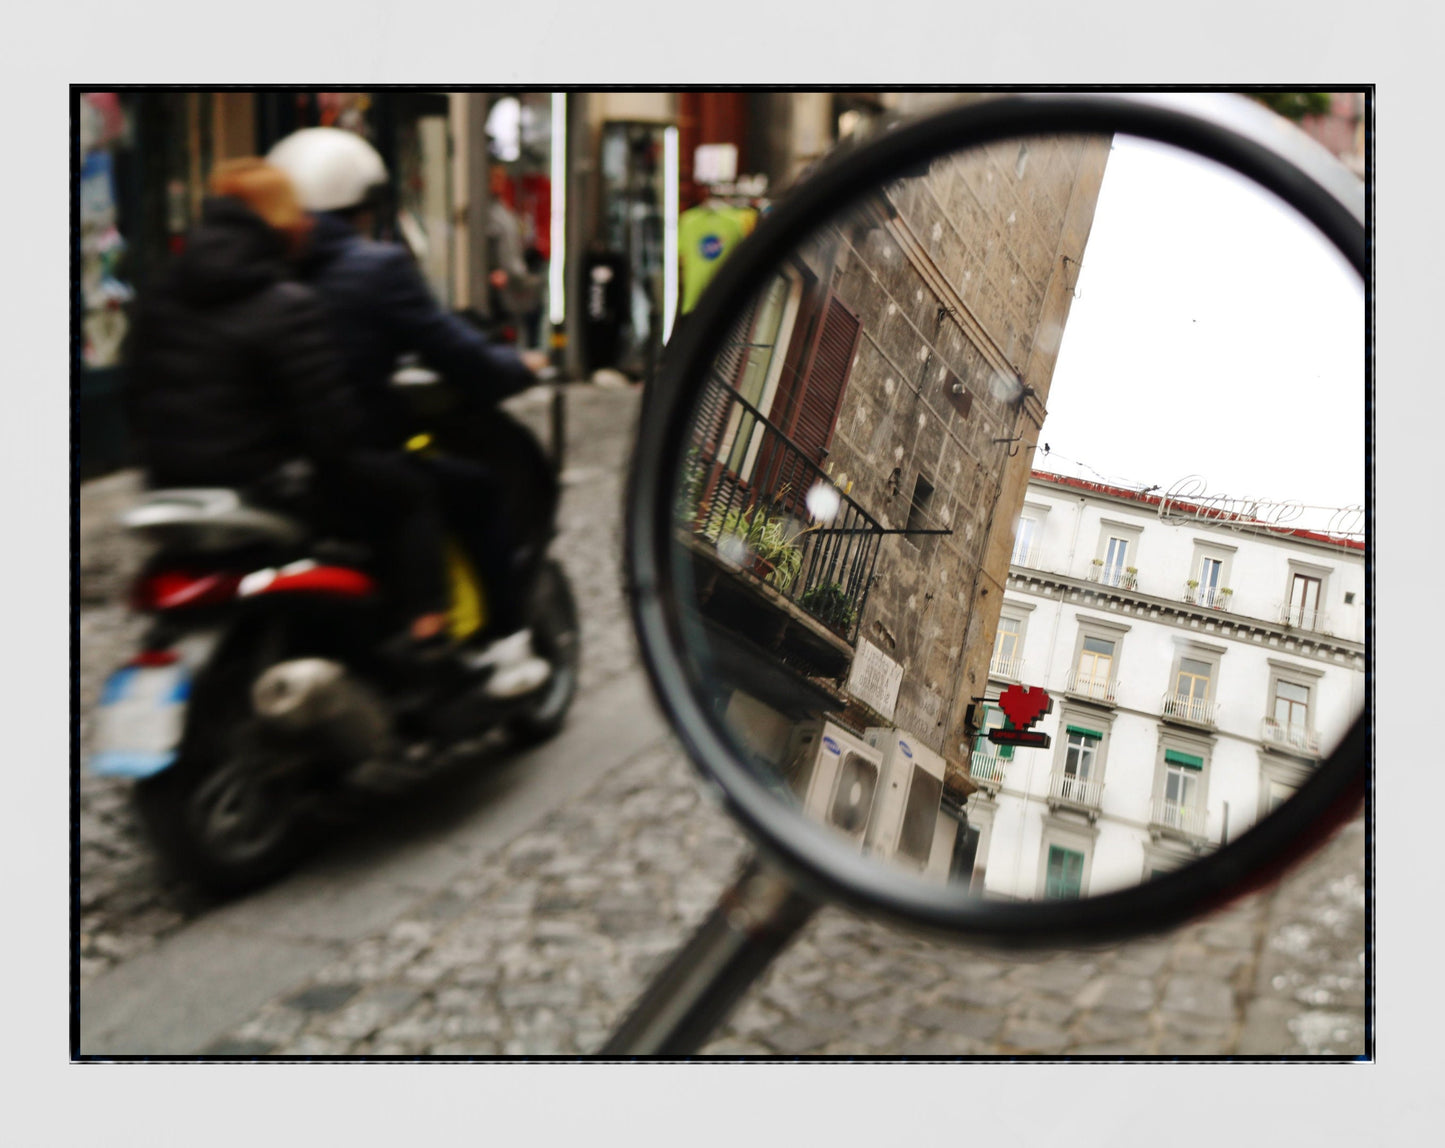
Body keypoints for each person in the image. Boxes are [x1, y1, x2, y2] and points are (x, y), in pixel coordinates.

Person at [124, 158, 455, 660]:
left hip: (171, 484)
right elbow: (332, 429)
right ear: (278, 221)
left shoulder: (161, 296)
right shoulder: (285, 301)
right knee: (411, 493)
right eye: (298, 213)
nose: (307, 224)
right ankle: (427, 634)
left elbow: (134, 392)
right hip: (263, 483)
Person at [266, 128, 551, 698]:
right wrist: (518, 366)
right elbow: (454, 351)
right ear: (362, 206)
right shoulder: (378, 269)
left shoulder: (268, 271)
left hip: (274, 467)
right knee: (474, 490)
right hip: (353, 463)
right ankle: (505, 643)